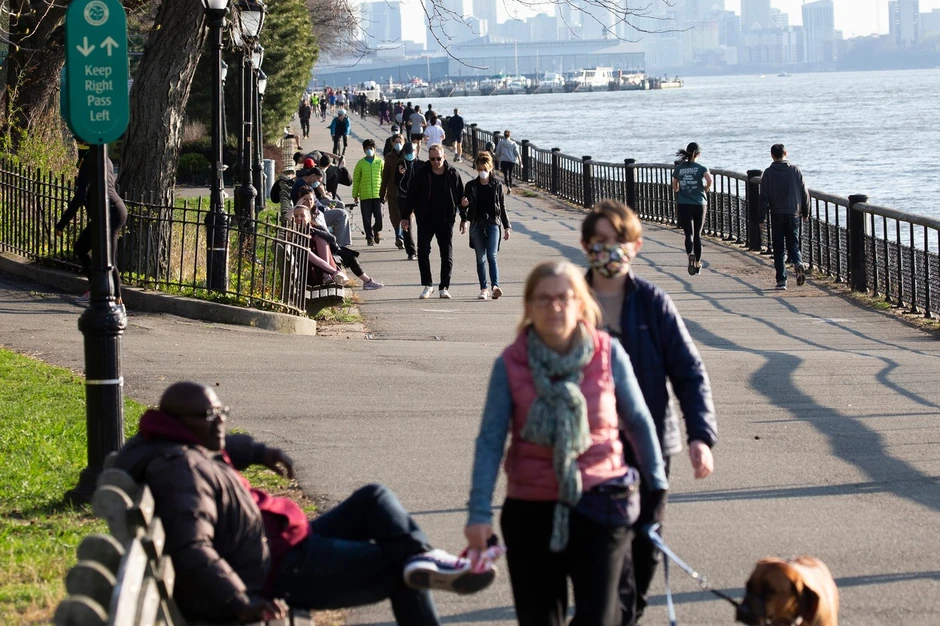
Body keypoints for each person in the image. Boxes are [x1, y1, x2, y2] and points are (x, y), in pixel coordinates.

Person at [113, 381, 493, 624]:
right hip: (277, 570)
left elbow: (225, 448)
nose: (220, 423)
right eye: (211, 416)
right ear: (182, 422)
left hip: (281, 540)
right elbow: (192, 546)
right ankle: (419, 562)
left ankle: (424, 556)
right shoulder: (182, 470)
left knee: (374, 498)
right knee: (400, 572)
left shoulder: (179, 442)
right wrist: (239, 601)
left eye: (222, 412)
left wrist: (261, 451)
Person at [465, 260, 668, 626]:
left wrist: (657, 486)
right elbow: (490, 442)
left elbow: (638, 421)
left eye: (564, 297)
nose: (554, 306)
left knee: (601, 618)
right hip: (531, 509)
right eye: (543, 299)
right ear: (528, 306)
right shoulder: (510, 364)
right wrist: (478, 513)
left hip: (602, 503)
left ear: (581, 304)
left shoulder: (608, 354)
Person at [579, 199, 717, 626]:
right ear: (586, 246)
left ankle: (629, 612)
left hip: (652, 445)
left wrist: (701, 437)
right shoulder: (571, 303)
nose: (609, 251)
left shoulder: (653, 303)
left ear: (635, 246)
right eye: (600, 242)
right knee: (606, 549)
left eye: (618, 241)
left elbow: (689, 370)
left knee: (645, 543)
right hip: (589, 452)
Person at [55, 143, 128, 308]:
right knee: (81, 247)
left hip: (110, 213)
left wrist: (62, 223)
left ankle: (117, 302)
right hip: (110, 211)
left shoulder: (90, 161)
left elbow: (80, 196)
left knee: (108, 258)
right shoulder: (104, 159)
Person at [404, 144, 466, 299]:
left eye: (439, 158)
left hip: (445, 220)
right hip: (425, 219)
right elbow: (411, 195)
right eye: (432, 159)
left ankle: (444, 287)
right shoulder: (422, 173)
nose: (436, 161)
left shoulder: (452, 173)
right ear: (429, 158)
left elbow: (461, 197)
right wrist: (405, 216)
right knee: (423, 252)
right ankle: (428, 285)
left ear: (444, 157)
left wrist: (464, 217)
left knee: (447, 255)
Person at [759, 143, 810, 290]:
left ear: (772, 155)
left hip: (776, 213)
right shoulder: (796, 170)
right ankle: (798, 262)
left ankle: (781, 280)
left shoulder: (768, 173)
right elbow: (805, 193)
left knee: (779, 248)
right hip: (793, 213)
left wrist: (761, 218)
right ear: (785, 153)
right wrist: (805, 212)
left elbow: (764, 197)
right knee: (793, 244)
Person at [461, 151, 511, 300]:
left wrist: (507, 226)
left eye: (485, 169)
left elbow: (501, 206)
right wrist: (464, 208)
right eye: (480, 169)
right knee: (480, 258)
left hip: (493, 223)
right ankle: (483, 288)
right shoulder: (471, 186)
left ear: (490, 169)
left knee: (492, 256)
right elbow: (464, 205)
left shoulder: (496, 185)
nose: (482, 172)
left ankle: (495, 286)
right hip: (476, 224)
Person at [672, 142, 713, 276]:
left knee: (688, 234)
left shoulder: (679, 168)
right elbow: (709, 180)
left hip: (684, 203)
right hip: (700, 203)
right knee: (697, 234)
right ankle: (698, 262)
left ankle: (690, 254)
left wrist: (680, 189)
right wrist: (705, 189)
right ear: (698, 154)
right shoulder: (701, 168)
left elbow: (675, 186)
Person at [291, 166, 352, 247]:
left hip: (317, 210)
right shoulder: (302, 187)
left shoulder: (305, 184)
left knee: (340, 206)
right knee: (342, 214)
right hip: (313, 214)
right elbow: (310, 204)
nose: (318, 183)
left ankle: (339, 238)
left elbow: (315, 202)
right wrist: (325, 208)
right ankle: (341, 245)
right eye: (318, 180)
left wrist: (325, 206)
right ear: (313, 176)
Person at [352, 139, 385, 246]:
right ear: (364, 150)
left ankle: (376, 229)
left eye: (371, 148)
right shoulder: (360, 164)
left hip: (378, 195)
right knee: (366, 218)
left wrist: (386, 192)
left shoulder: (380, 162)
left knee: (379, 217)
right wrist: (355, 194)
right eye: (367, 148)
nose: (369, 150)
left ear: (374, 149)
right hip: (365, 195)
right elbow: (356, 179)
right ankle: (369, 237)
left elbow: (385, 179)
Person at [381, 133, 407, 252]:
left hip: (407, 192)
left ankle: (406, 237)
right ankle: (398, 235)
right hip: (392, 192)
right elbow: (385, 177)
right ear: (392, 143)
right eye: (396, 142)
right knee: (394, 215)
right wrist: (382, 194)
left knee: (405, 215)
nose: (398, 144)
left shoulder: (408, 156)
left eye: (400, 142)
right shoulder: (389, 157)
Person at [395, 141, 421, 261]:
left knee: (423, 224)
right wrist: (400, 174)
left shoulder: (421, 165)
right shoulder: (401, 165)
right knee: (406, 224)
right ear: (404, 153)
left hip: (418, 197)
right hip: (404, 197)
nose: (410, 155)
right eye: (408, 153)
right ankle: (411, 252)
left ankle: (423, 249)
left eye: (412, 152)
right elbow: (396, 182)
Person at [494, 130, 521, 195]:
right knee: (510, 174)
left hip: (504, 160)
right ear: (510, 135)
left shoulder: (501, 143)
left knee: (505, 174)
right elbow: (517, 153)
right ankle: (510, 187)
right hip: (512, 161)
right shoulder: (513, 143)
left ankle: (508, 186)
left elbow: (497, 153)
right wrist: (520, 162)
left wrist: (498, 159)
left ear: (504, 135)